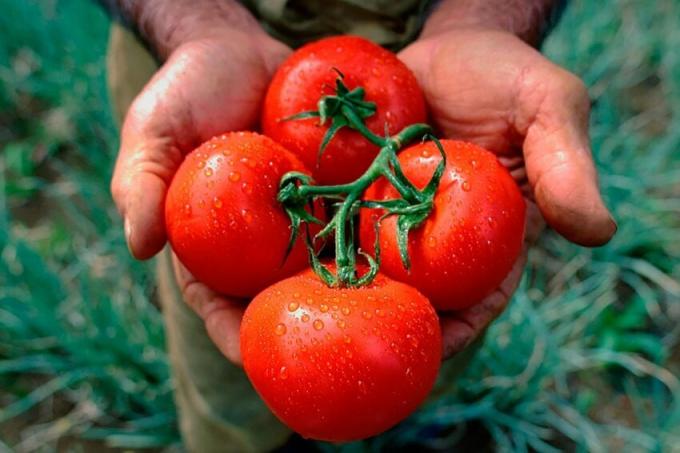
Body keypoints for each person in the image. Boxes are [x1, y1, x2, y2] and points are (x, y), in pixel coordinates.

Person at [101, 1, 617, 451]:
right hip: (193, 58)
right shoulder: (411, 185)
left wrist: (483, 18)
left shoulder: (433, 188)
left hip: (454, 64)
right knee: (221, 378)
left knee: (437, 357)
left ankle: (410, 425)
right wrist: (196, 23)